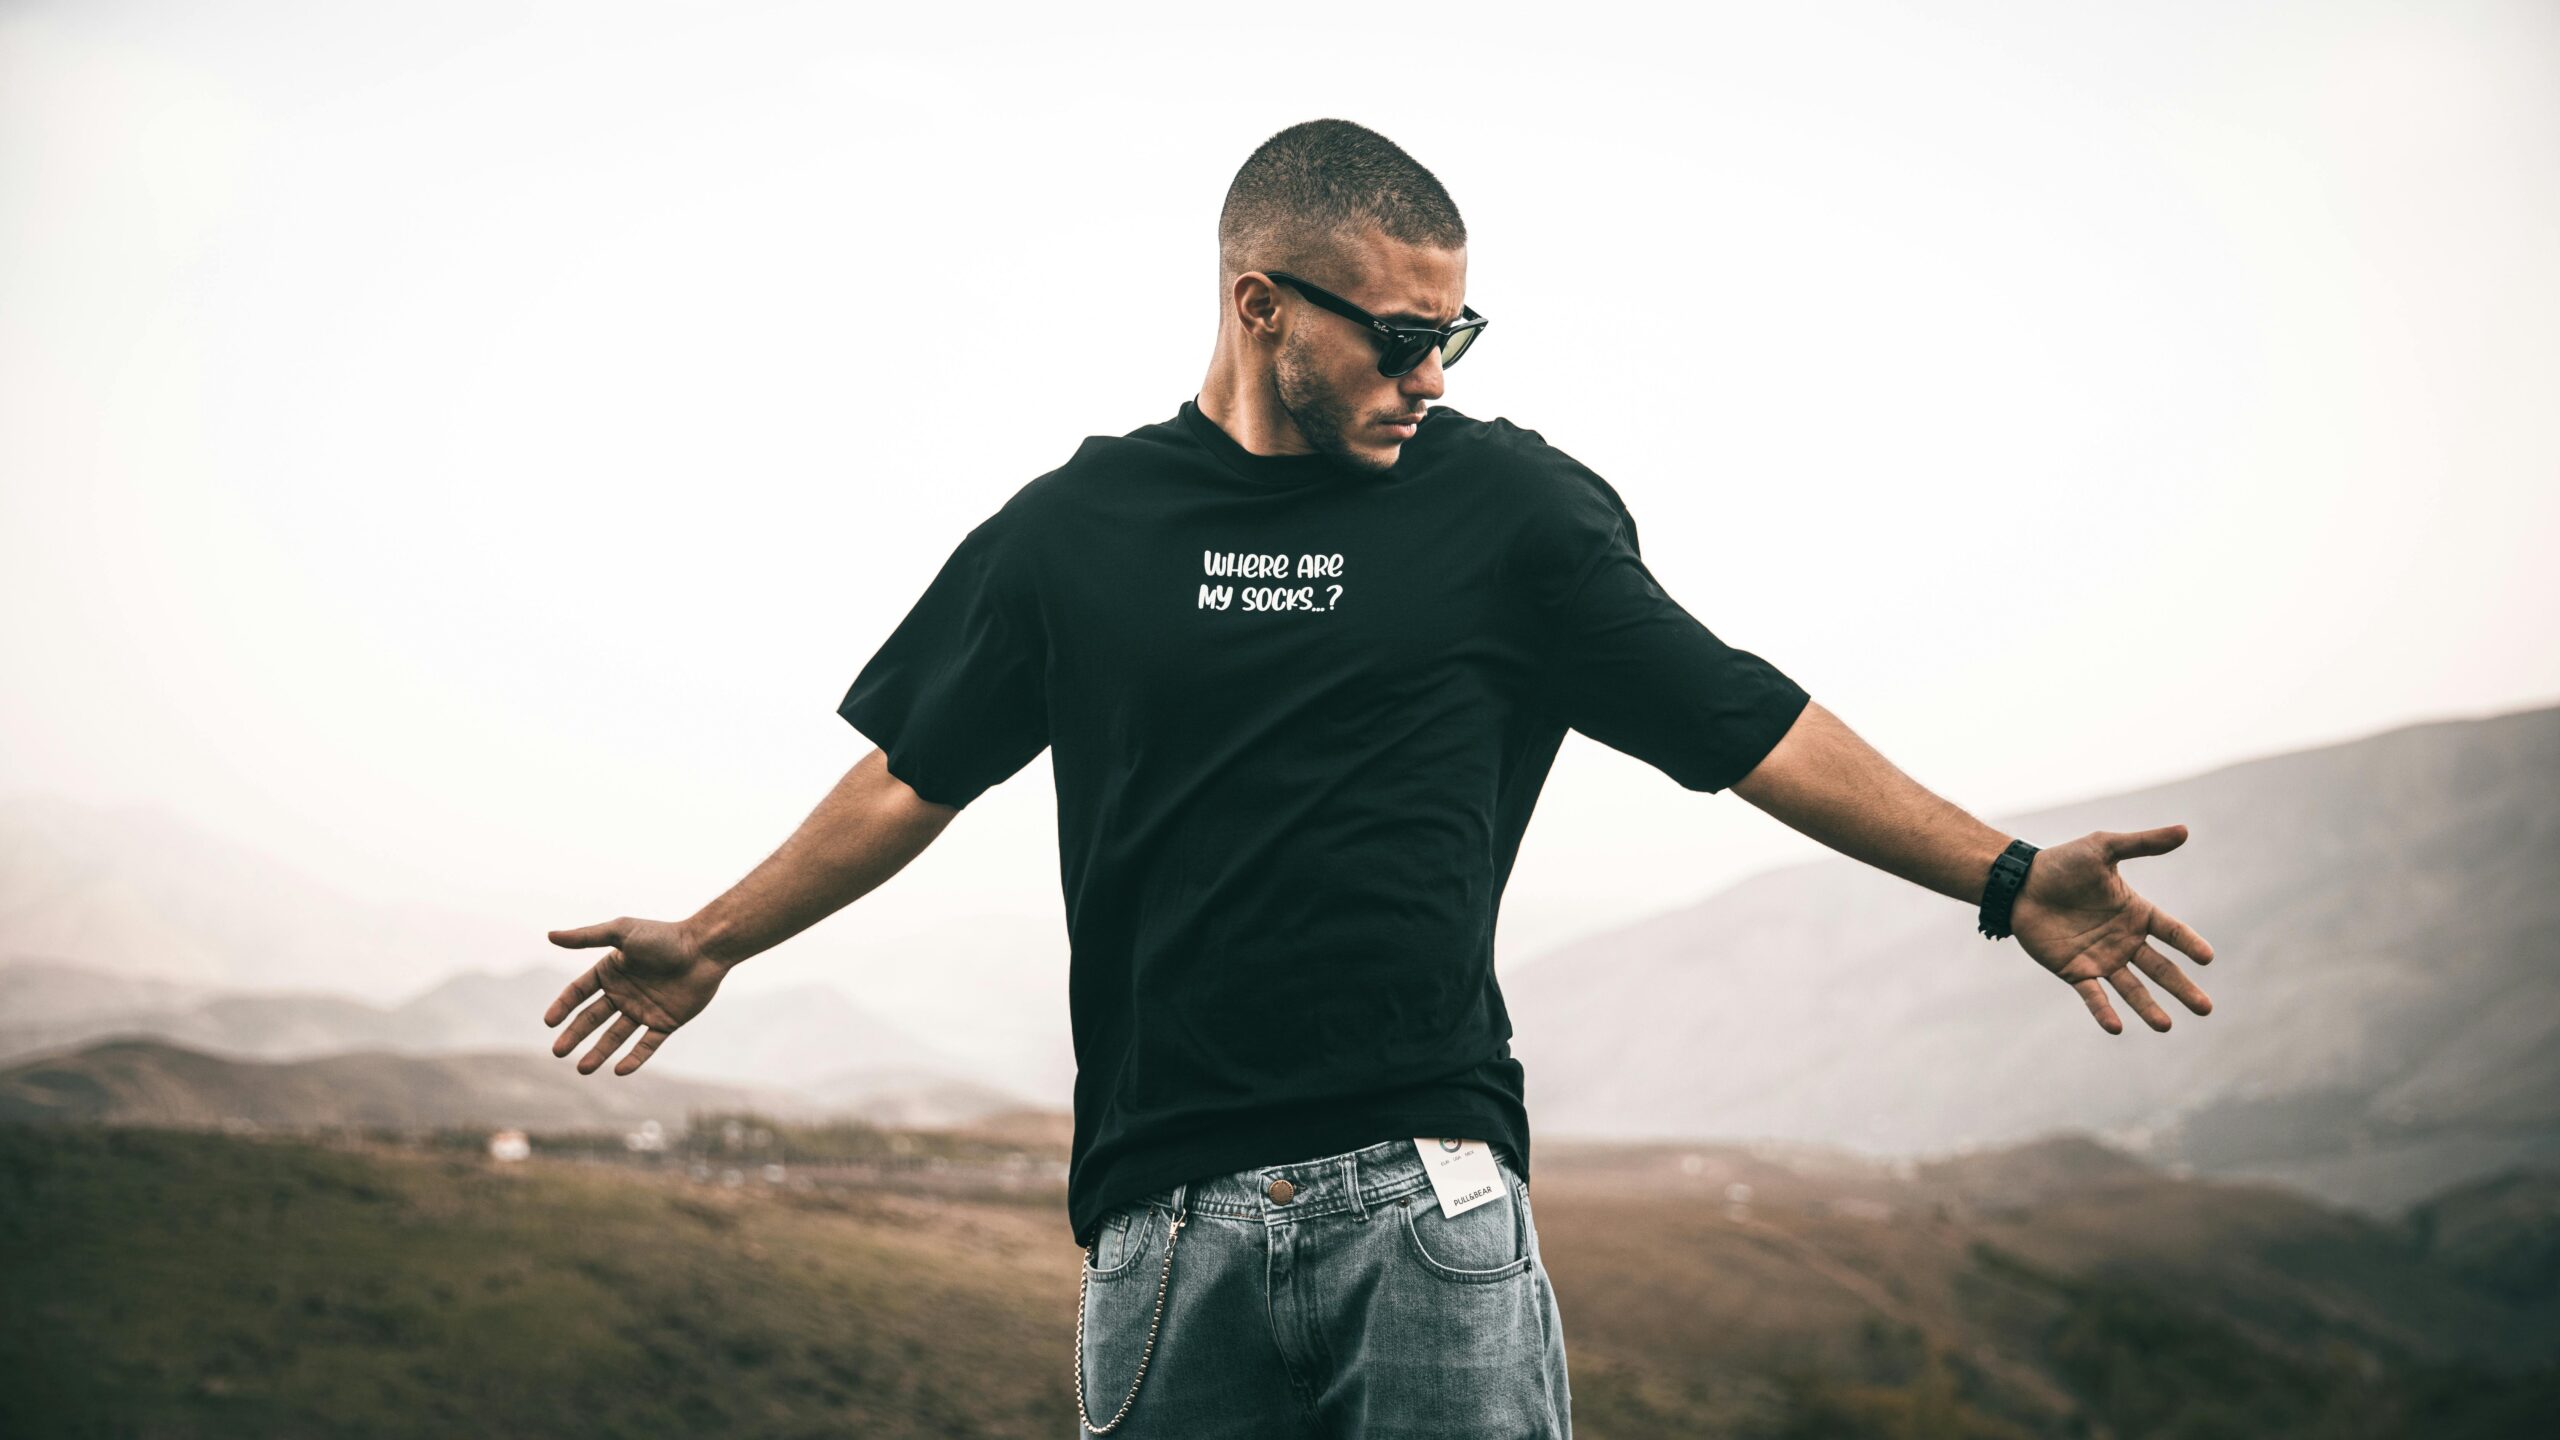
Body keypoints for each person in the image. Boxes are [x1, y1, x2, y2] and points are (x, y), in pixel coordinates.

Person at [538, 118, 2219, 1439]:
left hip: (1424, 1194)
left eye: (1457, 333)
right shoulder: (1077, 533)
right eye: (1402, 338)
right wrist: (718, 938)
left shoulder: (1512, 518)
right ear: (1259, 306)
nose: (1435, 377)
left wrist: (2001, 879)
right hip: (1160, 1216)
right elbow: (909, 778)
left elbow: (1746, 723)